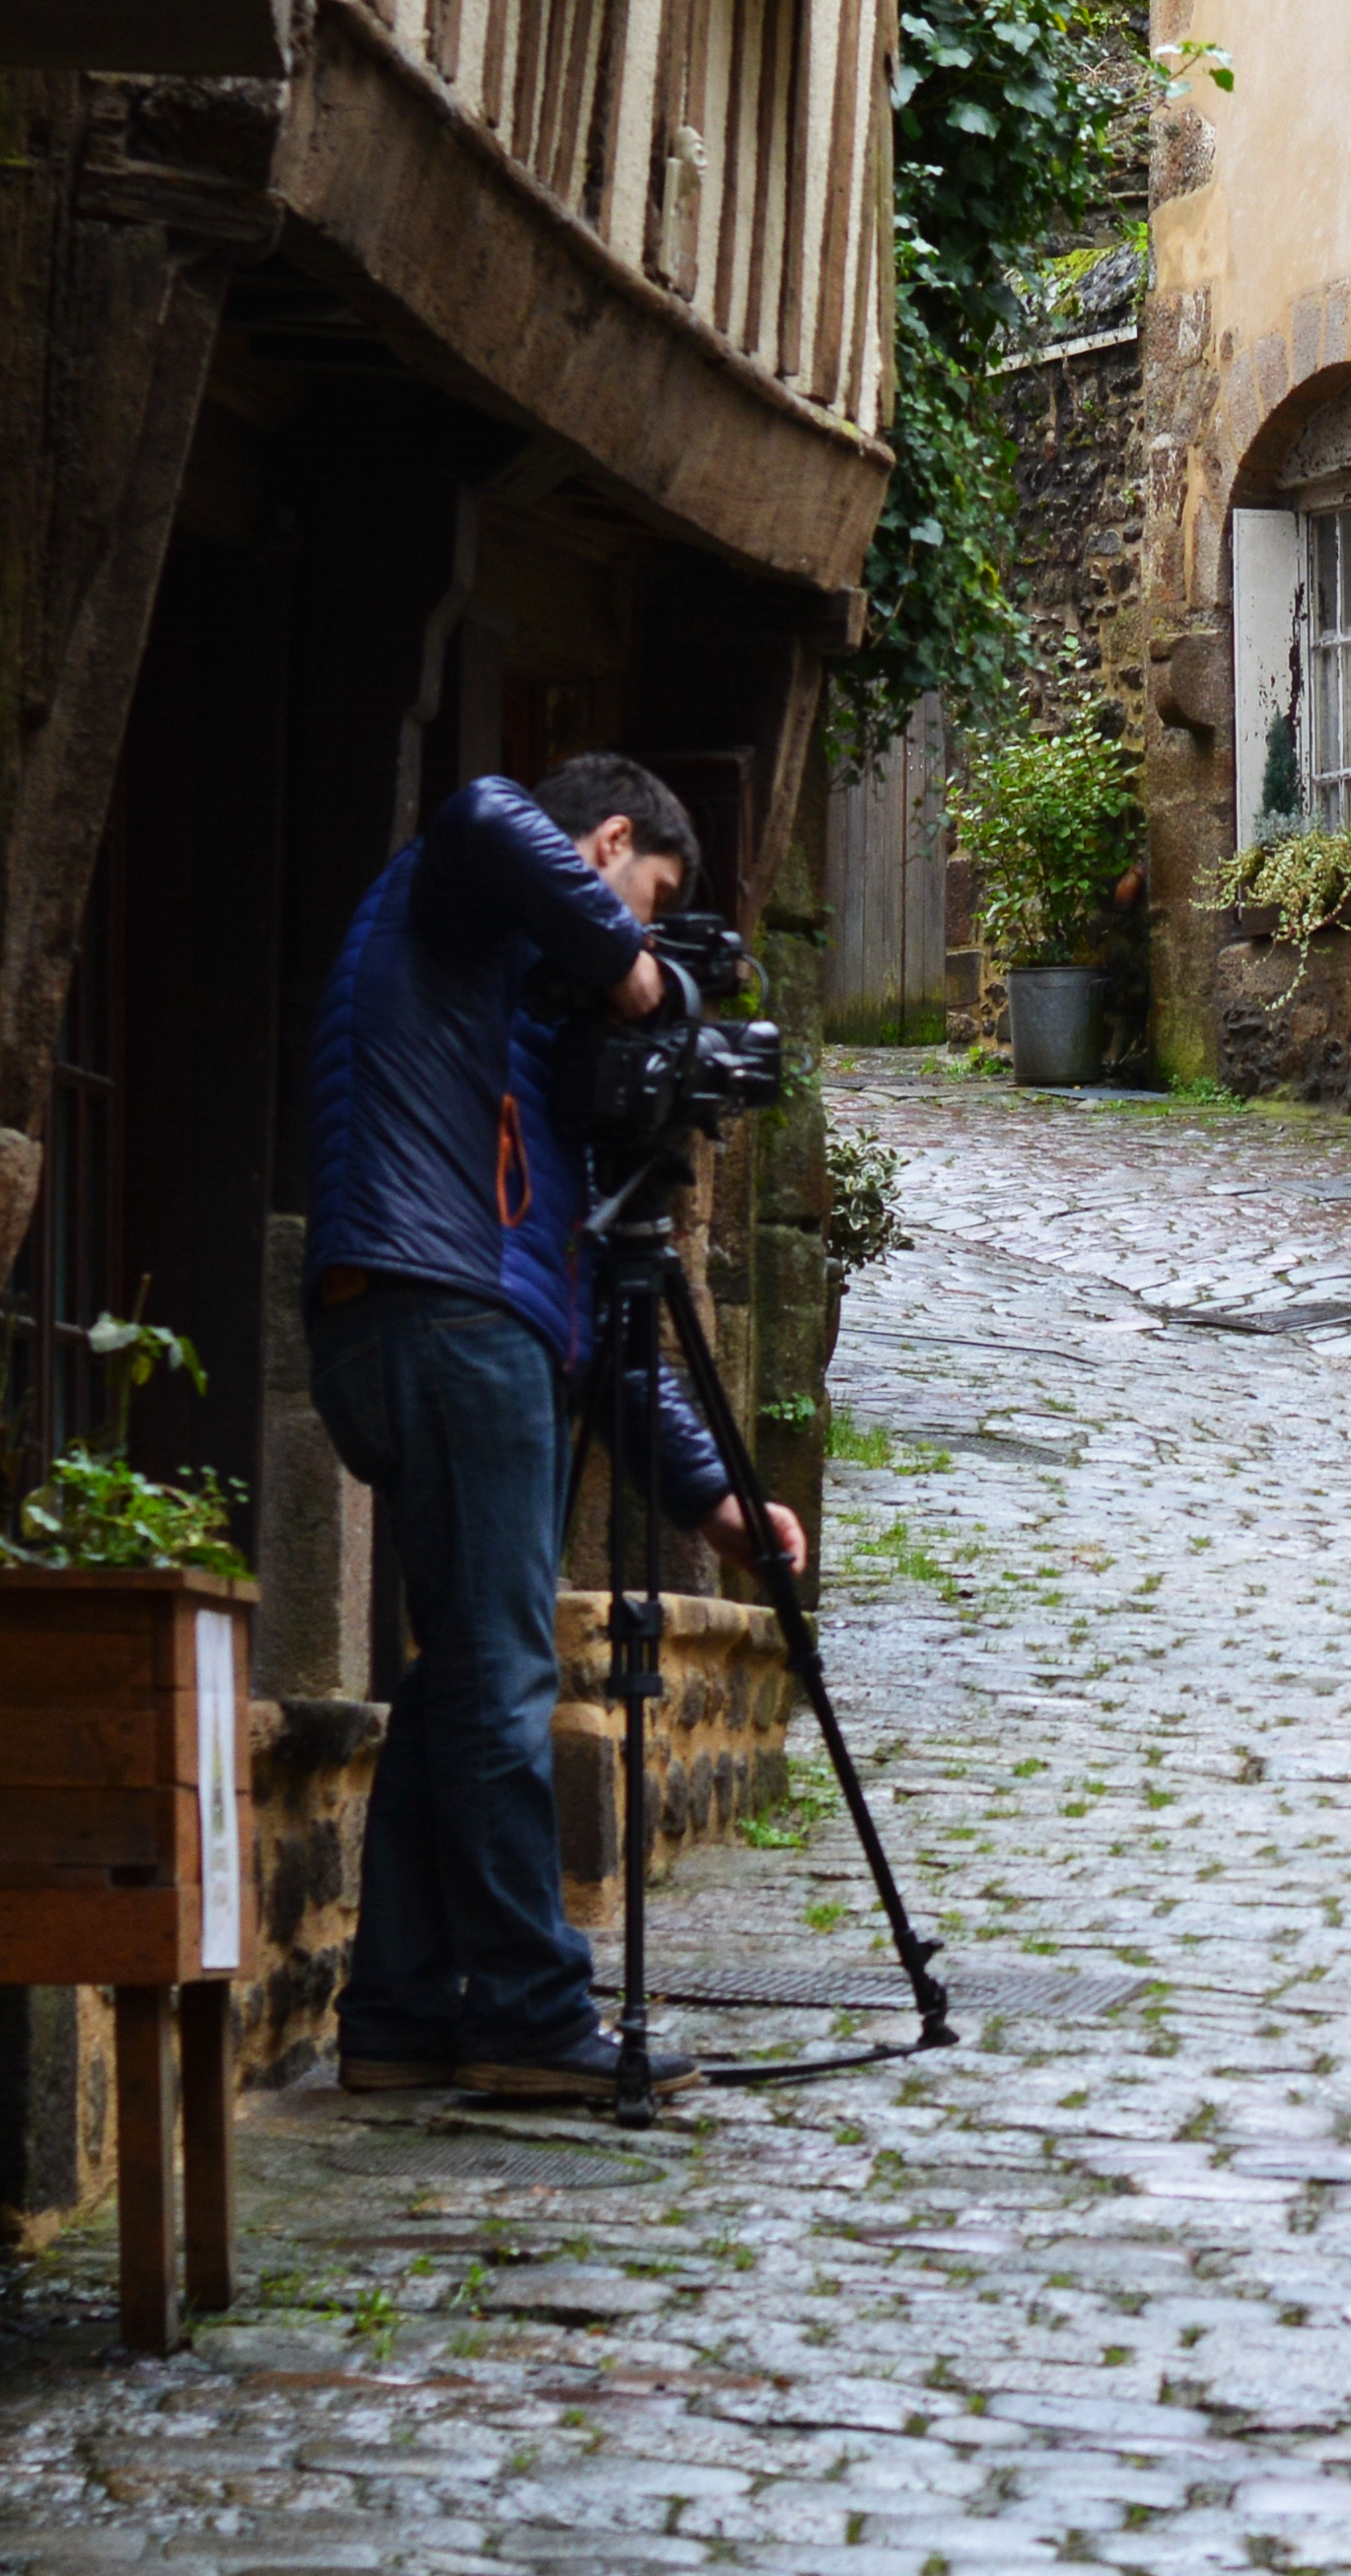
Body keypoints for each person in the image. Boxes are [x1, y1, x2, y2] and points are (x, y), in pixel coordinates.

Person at [304, 754, 803, 2105]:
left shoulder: (518, 1023)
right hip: (439, 1318)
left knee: (462, 1674)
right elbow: (476, 807)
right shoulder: (464, 899)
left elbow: (594, 1313)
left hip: (450, 1324)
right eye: (638, 905)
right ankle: (530, 2011)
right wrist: (630, 969)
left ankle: (402, 2015)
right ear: (607, 841)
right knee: (509, 1673)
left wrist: (716, 1503)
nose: (632, 950)